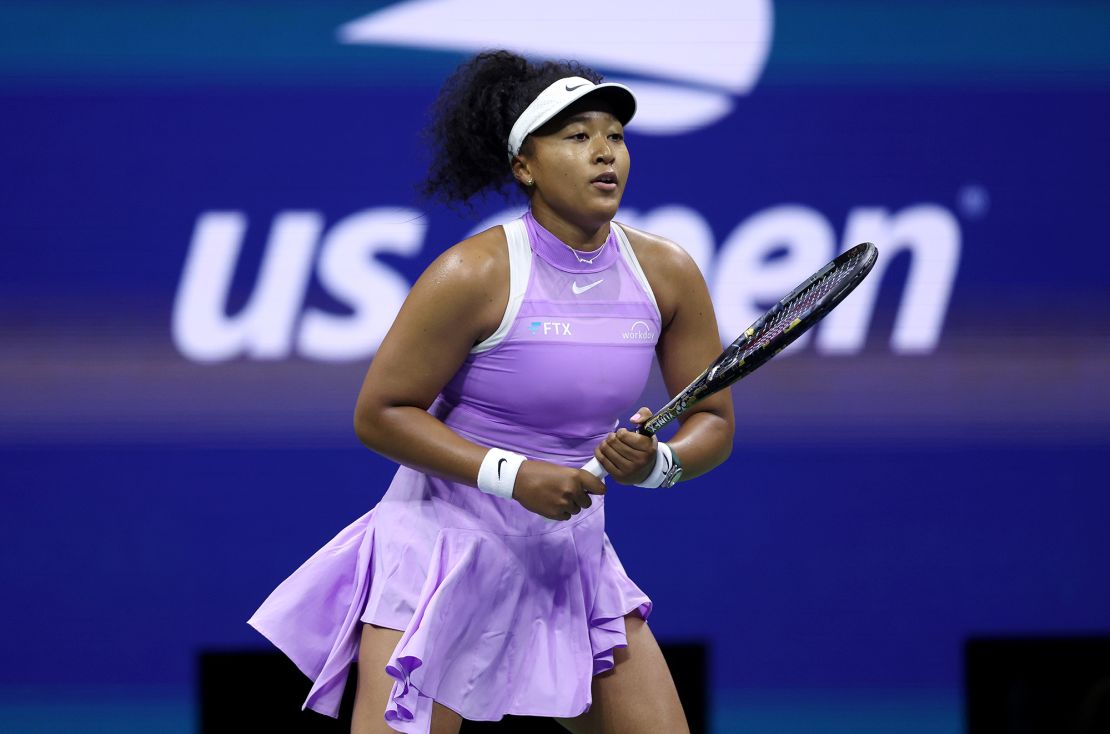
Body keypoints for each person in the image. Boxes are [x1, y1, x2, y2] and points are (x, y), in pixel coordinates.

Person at [248, 50, 734, 734]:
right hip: (441, 553)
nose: (605, 153)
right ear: (524, 167)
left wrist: (658, 465)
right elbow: (380, 413)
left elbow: (712, 419)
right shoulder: (471, 274)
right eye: (577, 136)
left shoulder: (668, 272)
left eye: (615, 136)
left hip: (571, 557)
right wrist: (513, 474)